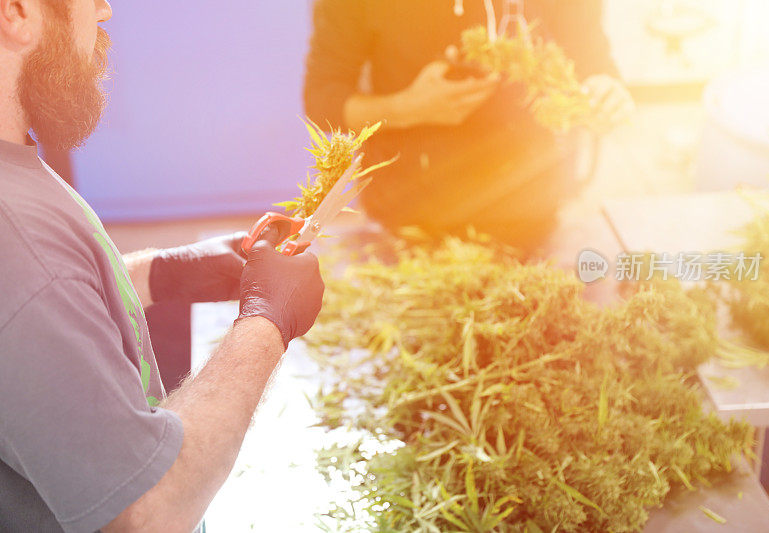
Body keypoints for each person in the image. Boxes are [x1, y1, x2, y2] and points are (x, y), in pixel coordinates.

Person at [0, 1, 325, 531]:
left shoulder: (15, 168)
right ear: (16, 12)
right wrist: (268, 321)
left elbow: (40, 314)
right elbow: (148, 512)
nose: (104, 12)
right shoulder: (12, 231)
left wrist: (164, 271)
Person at [305, 0, 634, 251]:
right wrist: (408, 108)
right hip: (411, 217)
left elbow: (592, 60)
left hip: (530, 207)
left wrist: (606, 91)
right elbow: (321, 100)